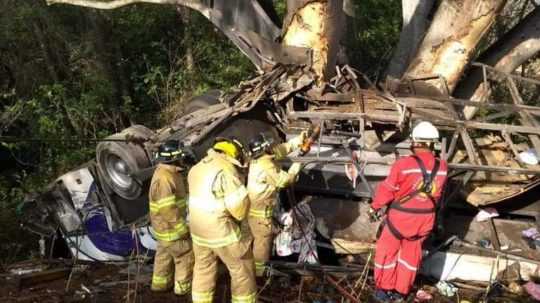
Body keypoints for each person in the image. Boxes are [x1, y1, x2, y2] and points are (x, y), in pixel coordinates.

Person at [369, 121, 448, 302]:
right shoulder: (442, 167)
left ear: (416, 142)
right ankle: (401, 292)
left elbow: (387, 189)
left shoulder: (403, 164)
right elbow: (437, 195)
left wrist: (374, 208)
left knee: (386, 252)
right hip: (425, 220)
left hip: (401, 218)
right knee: (411, 256)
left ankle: (384, 290)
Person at [188, 137, 256, 303]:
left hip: (198, 233)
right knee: (241, 269)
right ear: (232, 154)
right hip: (221, 233)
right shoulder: (225, 170)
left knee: (203, 268)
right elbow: (238, 209)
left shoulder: (196, 168)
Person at [246, 131, 307, 277]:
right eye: (268, 145)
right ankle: (259, 274)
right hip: (259, 216)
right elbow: (285, 180)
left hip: (259, 210)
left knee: (260, 241)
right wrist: (299, 162)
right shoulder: (265, 166)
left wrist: (298, 140)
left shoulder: (262, 158)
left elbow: (280, 150)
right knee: (262, 243)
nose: (271, 146)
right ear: (263, 148)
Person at [149, 140, 194, 296]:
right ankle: (182, 290)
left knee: (164, 255)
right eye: (181, 156)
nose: (183, 158)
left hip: (163, 229)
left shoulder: (167, 173)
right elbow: (168, 209)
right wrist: (182, 230)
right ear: (173, 158)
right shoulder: (165, 178)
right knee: (185, 255)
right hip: (171, 229)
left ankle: (159, 285)